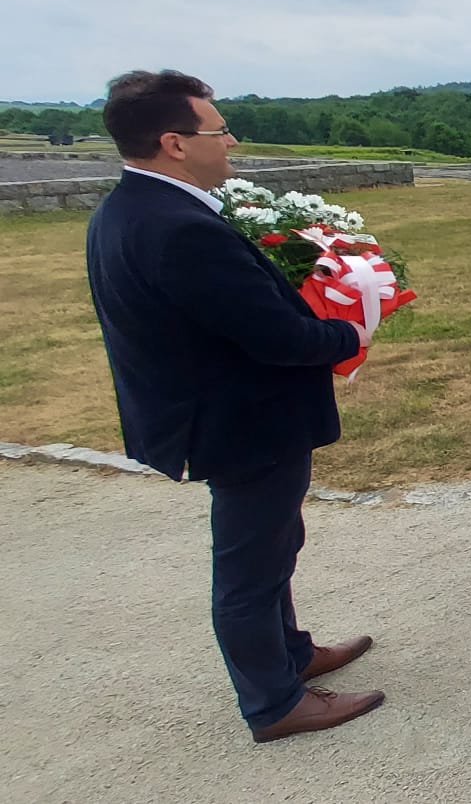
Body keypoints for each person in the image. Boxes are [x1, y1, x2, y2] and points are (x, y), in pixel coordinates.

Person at [85, 70, 382, 743]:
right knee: (250, 564)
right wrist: (352, 333)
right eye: (219, 131)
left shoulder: (129, 209)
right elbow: (272, 337)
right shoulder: (178, 227)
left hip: (220, 412)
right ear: (174, 143)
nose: (232, 142)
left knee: (275, 543)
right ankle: (274, 702)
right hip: (239, 421)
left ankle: (291, 653)